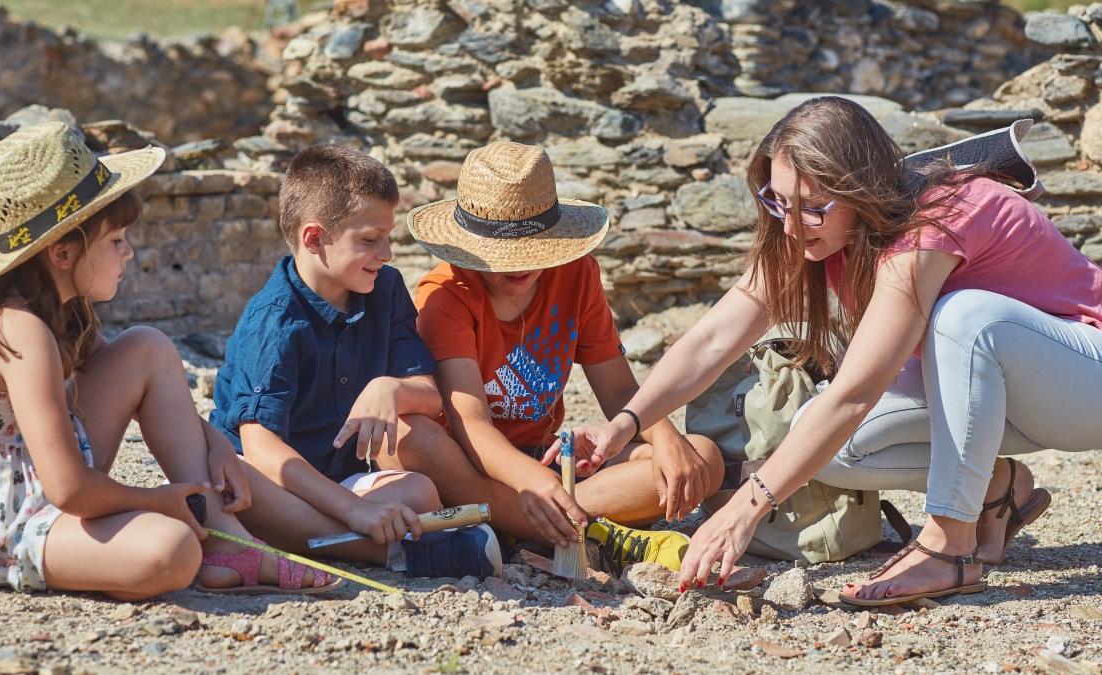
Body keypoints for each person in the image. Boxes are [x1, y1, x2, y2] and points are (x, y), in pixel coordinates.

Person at [564, 96, 1102, 605]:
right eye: (777, 201)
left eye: (814, 207)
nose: (792, 225)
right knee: (826, 441)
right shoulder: (810, 235)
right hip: (1003, 394)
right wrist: (627, 425)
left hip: (1083, 380)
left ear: (862, 190)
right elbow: (712, 339)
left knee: (965, 317)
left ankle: (949, 543)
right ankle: (997, 488)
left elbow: (855, 393)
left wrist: (743, 511)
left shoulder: (936, 219)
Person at [0, 121, 337, 598]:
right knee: (169, 550)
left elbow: (135, 378)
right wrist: (158, 502)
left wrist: (212, 442)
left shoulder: (53, 306)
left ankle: (226, 541)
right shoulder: (18, 329)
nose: (130, 252)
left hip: (30, 473)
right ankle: (205, 537)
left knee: (147, 346)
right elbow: (68, 489)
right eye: (116, 241)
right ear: (62, 252)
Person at [398, 141, 726, 572]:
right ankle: (585, 528)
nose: (517, 267)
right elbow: (471, 424)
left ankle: (533, 521)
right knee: (408, 440)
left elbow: (619, 389)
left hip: (547, 459)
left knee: (701, 458)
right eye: (501, 257)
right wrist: (533, 482)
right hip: (472, 466)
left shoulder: (577, 273)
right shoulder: (446, 296)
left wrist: (665, 439)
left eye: (531, 250)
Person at [209, 144, 501, 579]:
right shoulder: (273, 320)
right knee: (244, 487)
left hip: (336, 480)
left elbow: (428, 394)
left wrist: (391, 388)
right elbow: (261, 447)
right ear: (314, 238)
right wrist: (354, 511)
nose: (387, 254)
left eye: (387, 238)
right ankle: (389, 553)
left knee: (420, 491)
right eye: (370, 241)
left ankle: (323, 540)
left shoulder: (385, 289)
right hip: (271, 480)